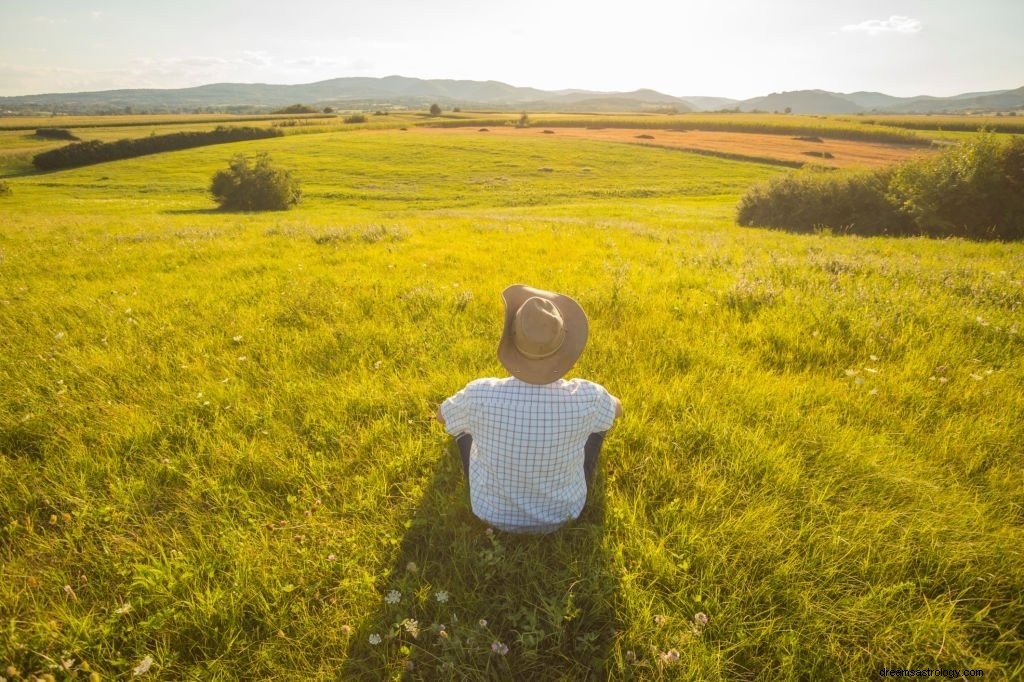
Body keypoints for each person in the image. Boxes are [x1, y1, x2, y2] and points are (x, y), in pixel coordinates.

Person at [436, 284, 623, 534]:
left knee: (461, 427)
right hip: (564, 514)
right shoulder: (588, 396)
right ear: (564, 342)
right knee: (599, 424)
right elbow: (618, 409)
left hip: (491, 512)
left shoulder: (479, 394)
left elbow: (441, 415)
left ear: (511, 339)